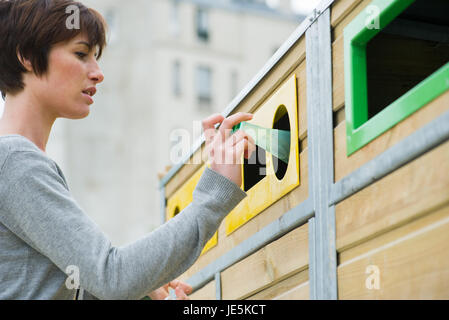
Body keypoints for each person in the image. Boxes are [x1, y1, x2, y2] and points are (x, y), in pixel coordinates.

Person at [0, 0, 255, 300]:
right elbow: (113, 276)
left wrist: (142, 290)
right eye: (81, 54)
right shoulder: (16, 162)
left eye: (96, 57)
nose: (98, 73)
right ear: (27, 57)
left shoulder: (18, 163)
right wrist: (216, 192)